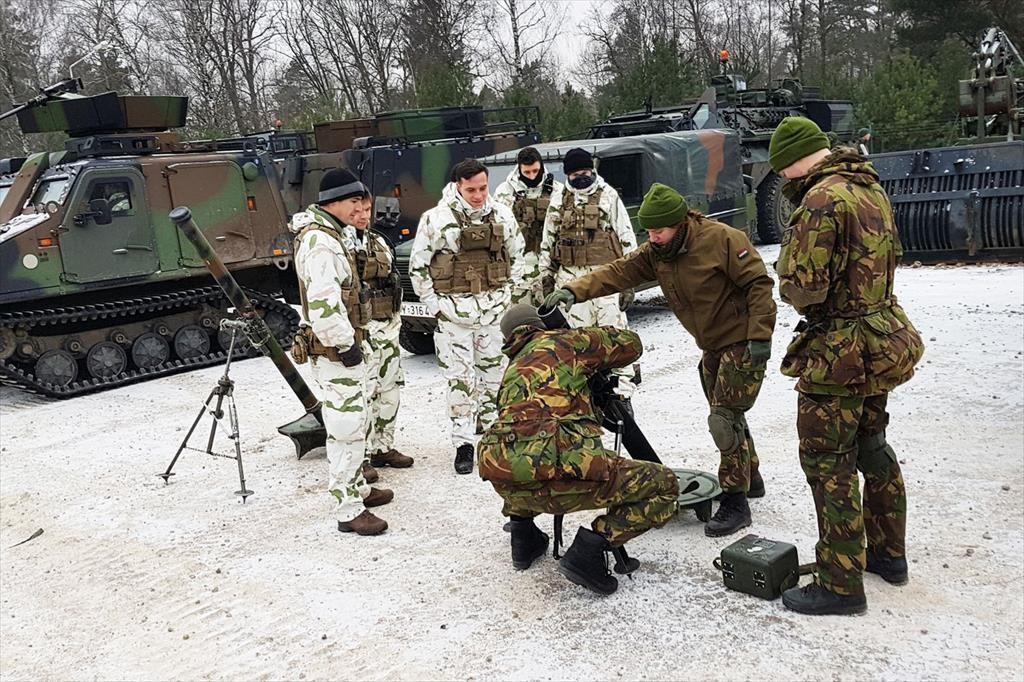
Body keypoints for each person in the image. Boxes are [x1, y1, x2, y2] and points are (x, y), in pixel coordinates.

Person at [544, 183, 776, 537]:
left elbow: (758, 284)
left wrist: (760, 335)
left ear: (680, 222)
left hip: (741, 341)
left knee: (723, 420)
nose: (652, 237)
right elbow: (617, 272)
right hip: (711, 346)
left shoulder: (722, 239)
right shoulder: (657, 252)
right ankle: (750, 477)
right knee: (729, 412)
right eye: (648, 231)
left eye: (659, 230)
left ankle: (735, 501)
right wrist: (572, 291)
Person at [769, 116, 924, 615]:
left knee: (827, 462)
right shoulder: (867, 187)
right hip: (880, 338)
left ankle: (840, 582)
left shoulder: (820, 200)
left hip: (839, 352)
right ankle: (888, 553)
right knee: (872, 446)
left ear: (791, 162)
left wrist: (785, 278)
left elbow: (806, 288)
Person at [478, 304, 679, 595]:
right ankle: (591, 548)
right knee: (665, 485)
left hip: (511, 486)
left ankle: (523, 539)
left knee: (526, 455)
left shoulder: (511, 370)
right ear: (539, 326)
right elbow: (632, 344)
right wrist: (580, 335)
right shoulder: (565, 343)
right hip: (565, 478)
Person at [289, 168, 394, 536]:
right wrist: (346, 346)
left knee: (358, 420)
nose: (360, 208)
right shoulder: (320, 242)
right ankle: (348, 509)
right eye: (354, 202)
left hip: (346, 346)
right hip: (336, 351)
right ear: (333, 202)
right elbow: (324, 306)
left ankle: (359, 489)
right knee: (346, 428)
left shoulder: (333, 235)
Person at [409, 159, 525, 474]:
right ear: (458, 185)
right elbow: (418, 267)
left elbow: (518, 255)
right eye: (471, 189)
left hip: (493, 314)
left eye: (483, 188)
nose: (477, 195)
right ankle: (463, 443)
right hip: (453, 316)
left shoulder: (501, 213)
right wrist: (434, 304)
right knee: (459, 383)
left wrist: (509, 296)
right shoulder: (436, 219)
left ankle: (494, 440)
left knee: (495, 380)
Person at [537, 147, 638, 398]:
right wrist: (546, 277)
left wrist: (629, 282)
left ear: (592, 170)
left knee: (614, 337)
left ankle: (623, 394)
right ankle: (585, 393)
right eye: (575, 173)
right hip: (571, 281)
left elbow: (626, 239)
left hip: (607, 279)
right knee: (577, 341)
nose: (581, 177)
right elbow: (548, 241)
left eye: (585, 171)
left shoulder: (608, 196)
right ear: (567, 175)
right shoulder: (559, 200)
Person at [343, 195, 414, 483]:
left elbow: (391, 282)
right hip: (361, 330)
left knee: (390, 391)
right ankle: (361, 459)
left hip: (387, 326)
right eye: (356, 210)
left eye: (367, 210)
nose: (362, 216)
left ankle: (382, 447)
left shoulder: (378, 242)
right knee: (363, 395)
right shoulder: (339, 245)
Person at [493, 146, 563, 305]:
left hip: (549, 267)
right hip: (517, 269)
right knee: (519, 321)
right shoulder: (504, 192)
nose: (532, 176)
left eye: (535, 171)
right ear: (519, 169)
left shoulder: (557, 191)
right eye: (527, 172)